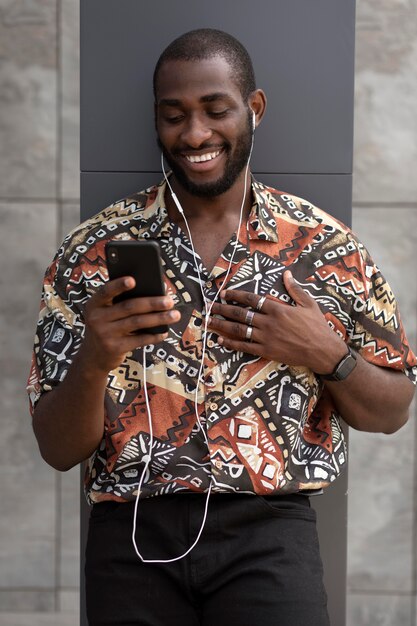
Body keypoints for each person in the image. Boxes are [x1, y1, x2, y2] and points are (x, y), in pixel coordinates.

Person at [28, 28, 416, 626]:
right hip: (130, 538)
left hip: (270, 537)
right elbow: (57, 449)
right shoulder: (92, 250)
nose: (195, 134)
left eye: (216, 110)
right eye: (173, 115)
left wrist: (327, 353)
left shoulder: (326, 247)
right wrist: (97, 357)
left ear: (253, 110)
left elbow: (392, 412)